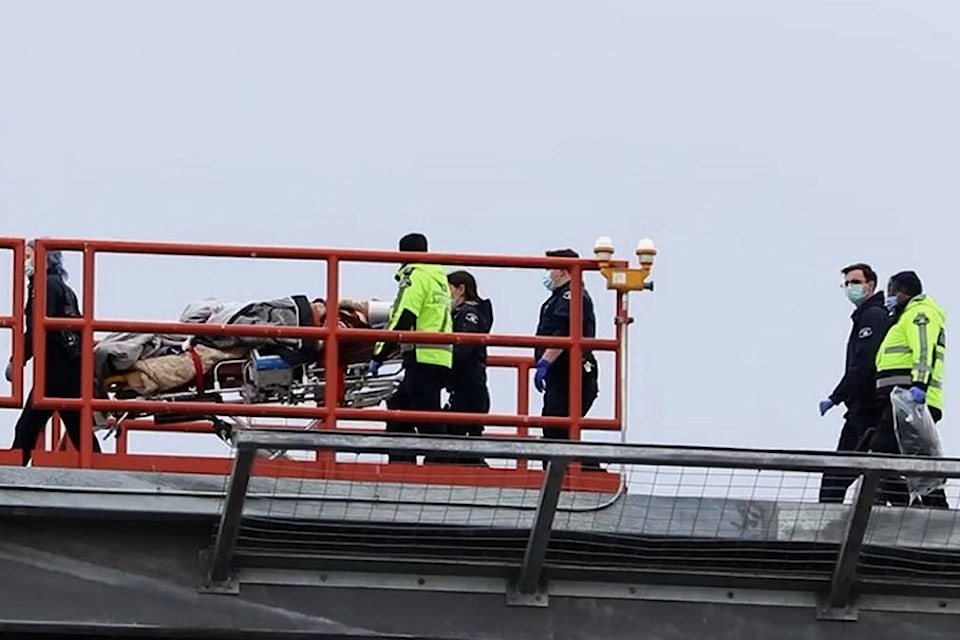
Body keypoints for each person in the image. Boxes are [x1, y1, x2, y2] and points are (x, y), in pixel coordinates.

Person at [5, 240, 102, 466]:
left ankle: (11, 473)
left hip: (56, 368)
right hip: (69, 366)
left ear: (43, 259)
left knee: (28, 426)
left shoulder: (44, 286)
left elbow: (37, 330)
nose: (24, 262)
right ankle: (103, 471)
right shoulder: (61, 286)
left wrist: (17, 360)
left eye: (28, 257)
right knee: (78, 428)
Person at [369, 233, 454, 463]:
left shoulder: (415, 276)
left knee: (426, 416)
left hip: (422, 355)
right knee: (399, 406)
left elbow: (405, 315)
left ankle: (441, 468)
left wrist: (380, 354)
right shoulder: (438, 278)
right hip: (439, 355)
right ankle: (401, 462)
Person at [869, 270, 948, 508]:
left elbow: (923, 350)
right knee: (915, 457)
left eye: (892, 292)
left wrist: (919, 385)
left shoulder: (920, 314)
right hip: (899, 398)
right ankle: (931, 510)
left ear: (904, 293)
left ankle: (890, 504)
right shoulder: (904, 317)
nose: (889, 297)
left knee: (881, 451)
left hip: (908, 398)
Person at [817, 263, 891, 503]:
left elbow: (864, 364)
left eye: (856, 282)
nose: (850, 288)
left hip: (867, 408)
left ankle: (824, 529)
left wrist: (836, 396)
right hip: (866, 407)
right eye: (847, 284)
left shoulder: (873, 315)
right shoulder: (868, 315)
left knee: (837, 475)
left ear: (870, 285)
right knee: (880, 473)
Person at [532, 248, 602, 469]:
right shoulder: (559, 297)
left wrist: (545, 362)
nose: (547, 274)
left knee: (557, 431)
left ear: (562, 270)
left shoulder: (571, 296)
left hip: (571, 376)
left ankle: (585, 474)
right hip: (561, 376)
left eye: (549, 269)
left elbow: (563, 331)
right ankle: (574, 475)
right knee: (556, 430)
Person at [444, 270, 494, 465]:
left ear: (461, 289)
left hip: (469, 388)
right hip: (469, 387)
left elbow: (463, 350)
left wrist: (442, 368)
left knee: (461, 444)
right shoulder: (470, 313)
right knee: (466, 445)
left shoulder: (468, 315)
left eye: (448, 289)